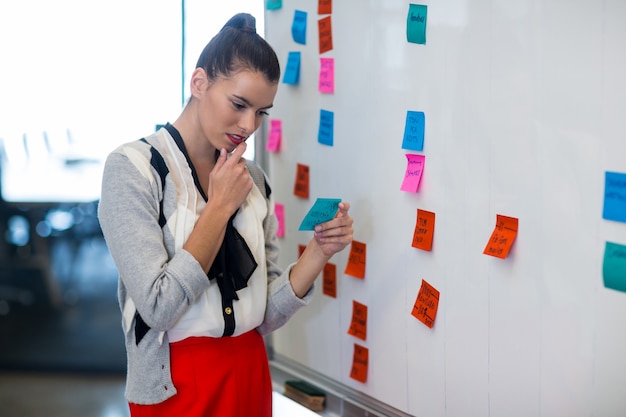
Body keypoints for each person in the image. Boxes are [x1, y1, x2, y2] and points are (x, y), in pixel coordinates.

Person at [97, 12, 353, 417]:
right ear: (199, 83)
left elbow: (264, 315)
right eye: (239, 104)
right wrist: (218, 208)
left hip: (250, 370)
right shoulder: (133, 168)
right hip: (175, 386)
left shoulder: (253, 179)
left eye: (261, 112)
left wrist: (319, 252)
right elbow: (158, 308)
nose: (249, 125)